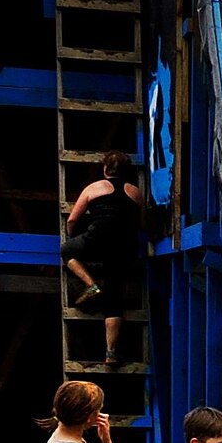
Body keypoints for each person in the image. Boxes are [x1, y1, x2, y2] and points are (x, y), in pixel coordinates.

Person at [63, 153, 145, 365]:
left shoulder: (93, 188)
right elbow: (141, 222)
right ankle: (110, 353)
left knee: (67, 251)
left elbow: (72, 219)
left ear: (105, 169)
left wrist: (74, 236)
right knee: (114, 299)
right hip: (123, 247)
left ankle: (91, 285)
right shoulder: (135, 192)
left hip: (95, 240)